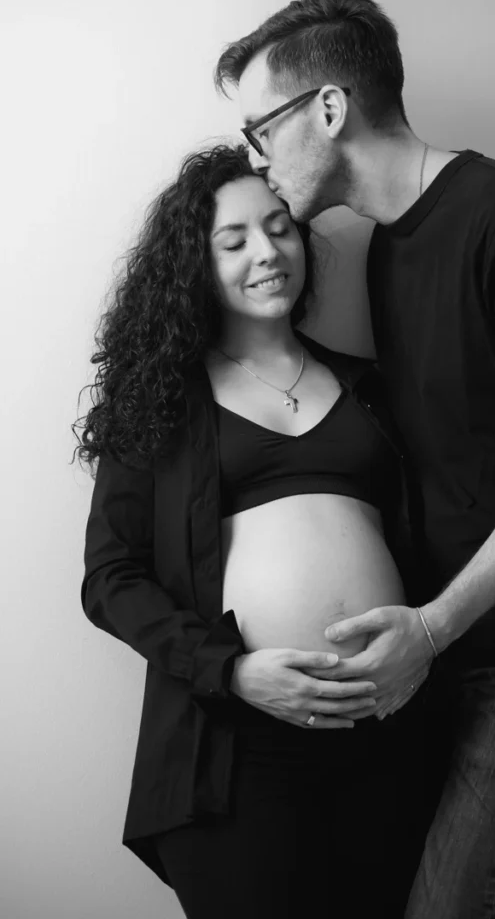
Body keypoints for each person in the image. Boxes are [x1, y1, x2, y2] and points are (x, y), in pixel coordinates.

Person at [214, 0, 495, 918]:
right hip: (464, 660)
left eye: (260, 129)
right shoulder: (385, 250)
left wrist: (430, 627)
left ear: (328, 109)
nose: (255, 156)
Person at [75, 144, 431, 919]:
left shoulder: (369, 385)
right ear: (193, 266)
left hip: (386, 732)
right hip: (237, 742)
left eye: (280, 229)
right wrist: (233, 671)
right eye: (233, 241)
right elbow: (110, 579)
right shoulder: (161, 402)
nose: (267, 252)